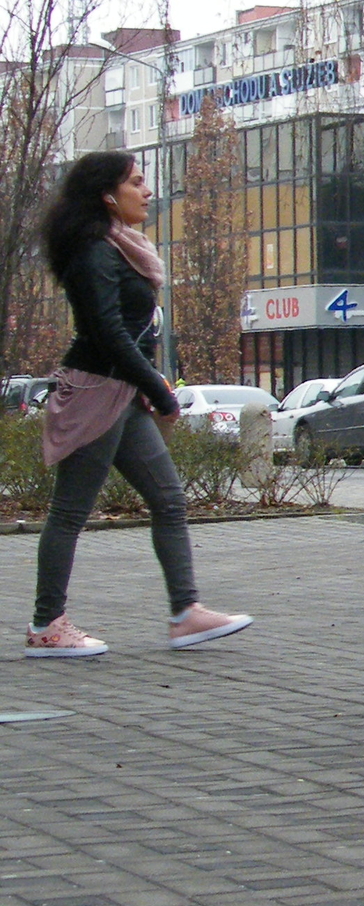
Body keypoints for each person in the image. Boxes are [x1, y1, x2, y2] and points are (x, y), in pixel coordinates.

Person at [24, 151, 252, 657]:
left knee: (169, 500)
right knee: (69, 513)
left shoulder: (119, 246)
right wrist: (157, 386)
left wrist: (146, 386)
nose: (147, 191)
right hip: (95, 393)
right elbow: (107, 333)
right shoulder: (95, 251)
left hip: (121, 393)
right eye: (137, 182)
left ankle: (186, 613)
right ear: (108, 194)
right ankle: (47, 625)